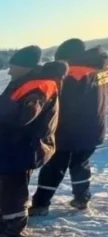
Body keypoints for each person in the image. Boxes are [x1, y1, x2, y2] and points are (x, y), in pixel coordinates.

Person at [0, 46, 68, 237]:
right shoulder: (25, 82)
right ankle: (3, 228)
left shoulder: (39, 87)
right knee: (4, 194)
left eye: (13, 66)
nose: (9, 71)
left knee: (13, 196)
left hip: (20, 150)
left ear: (24, 67)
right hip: (10, 149)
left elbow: (23, 115)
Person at [30, 39, 108, 215]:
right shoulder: (101, 68)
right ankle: (82, 198)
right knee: (80, 163)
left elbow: (63, 102)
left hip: (69, 129)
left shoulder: (73, 73)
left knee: (54, 165)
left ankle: (40, 204)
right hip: (94, 128)